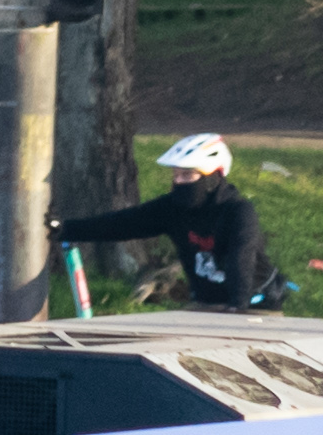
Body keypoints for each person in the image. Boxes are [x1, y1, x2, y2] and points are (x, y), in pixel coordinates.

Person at [50, 132, 287, 313]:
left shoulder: (238, 211)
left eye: (187, 175)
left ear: (213, 177)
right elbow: (124, 224)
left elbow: (240, 260)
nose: (179, 182)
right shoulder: (173, 208)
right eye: (175, 175)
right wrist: (67, 229)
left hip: (255, 304)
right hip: (206, 304)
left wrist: (238, 308)